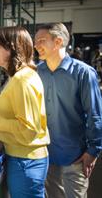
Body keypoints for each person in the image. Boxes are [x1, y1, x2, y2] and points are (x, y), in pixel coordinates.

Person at [0, 26, 50, 198]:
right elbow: (17, 110)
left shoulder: (22, 80)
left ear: (11, 48)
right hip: (22, 158)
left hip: (25, 160)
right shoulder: (18, 76)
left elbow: (28, 128)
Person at [34, 23, 102, 198]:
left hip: (76, 155)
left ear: (58, 42)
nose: (36, 45)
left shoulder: (84, 73)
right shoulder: (36, 73)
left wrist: (93, 151)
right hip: (46, 153)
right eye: (36, 41)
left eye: (41, 40)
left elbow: (95, 114)